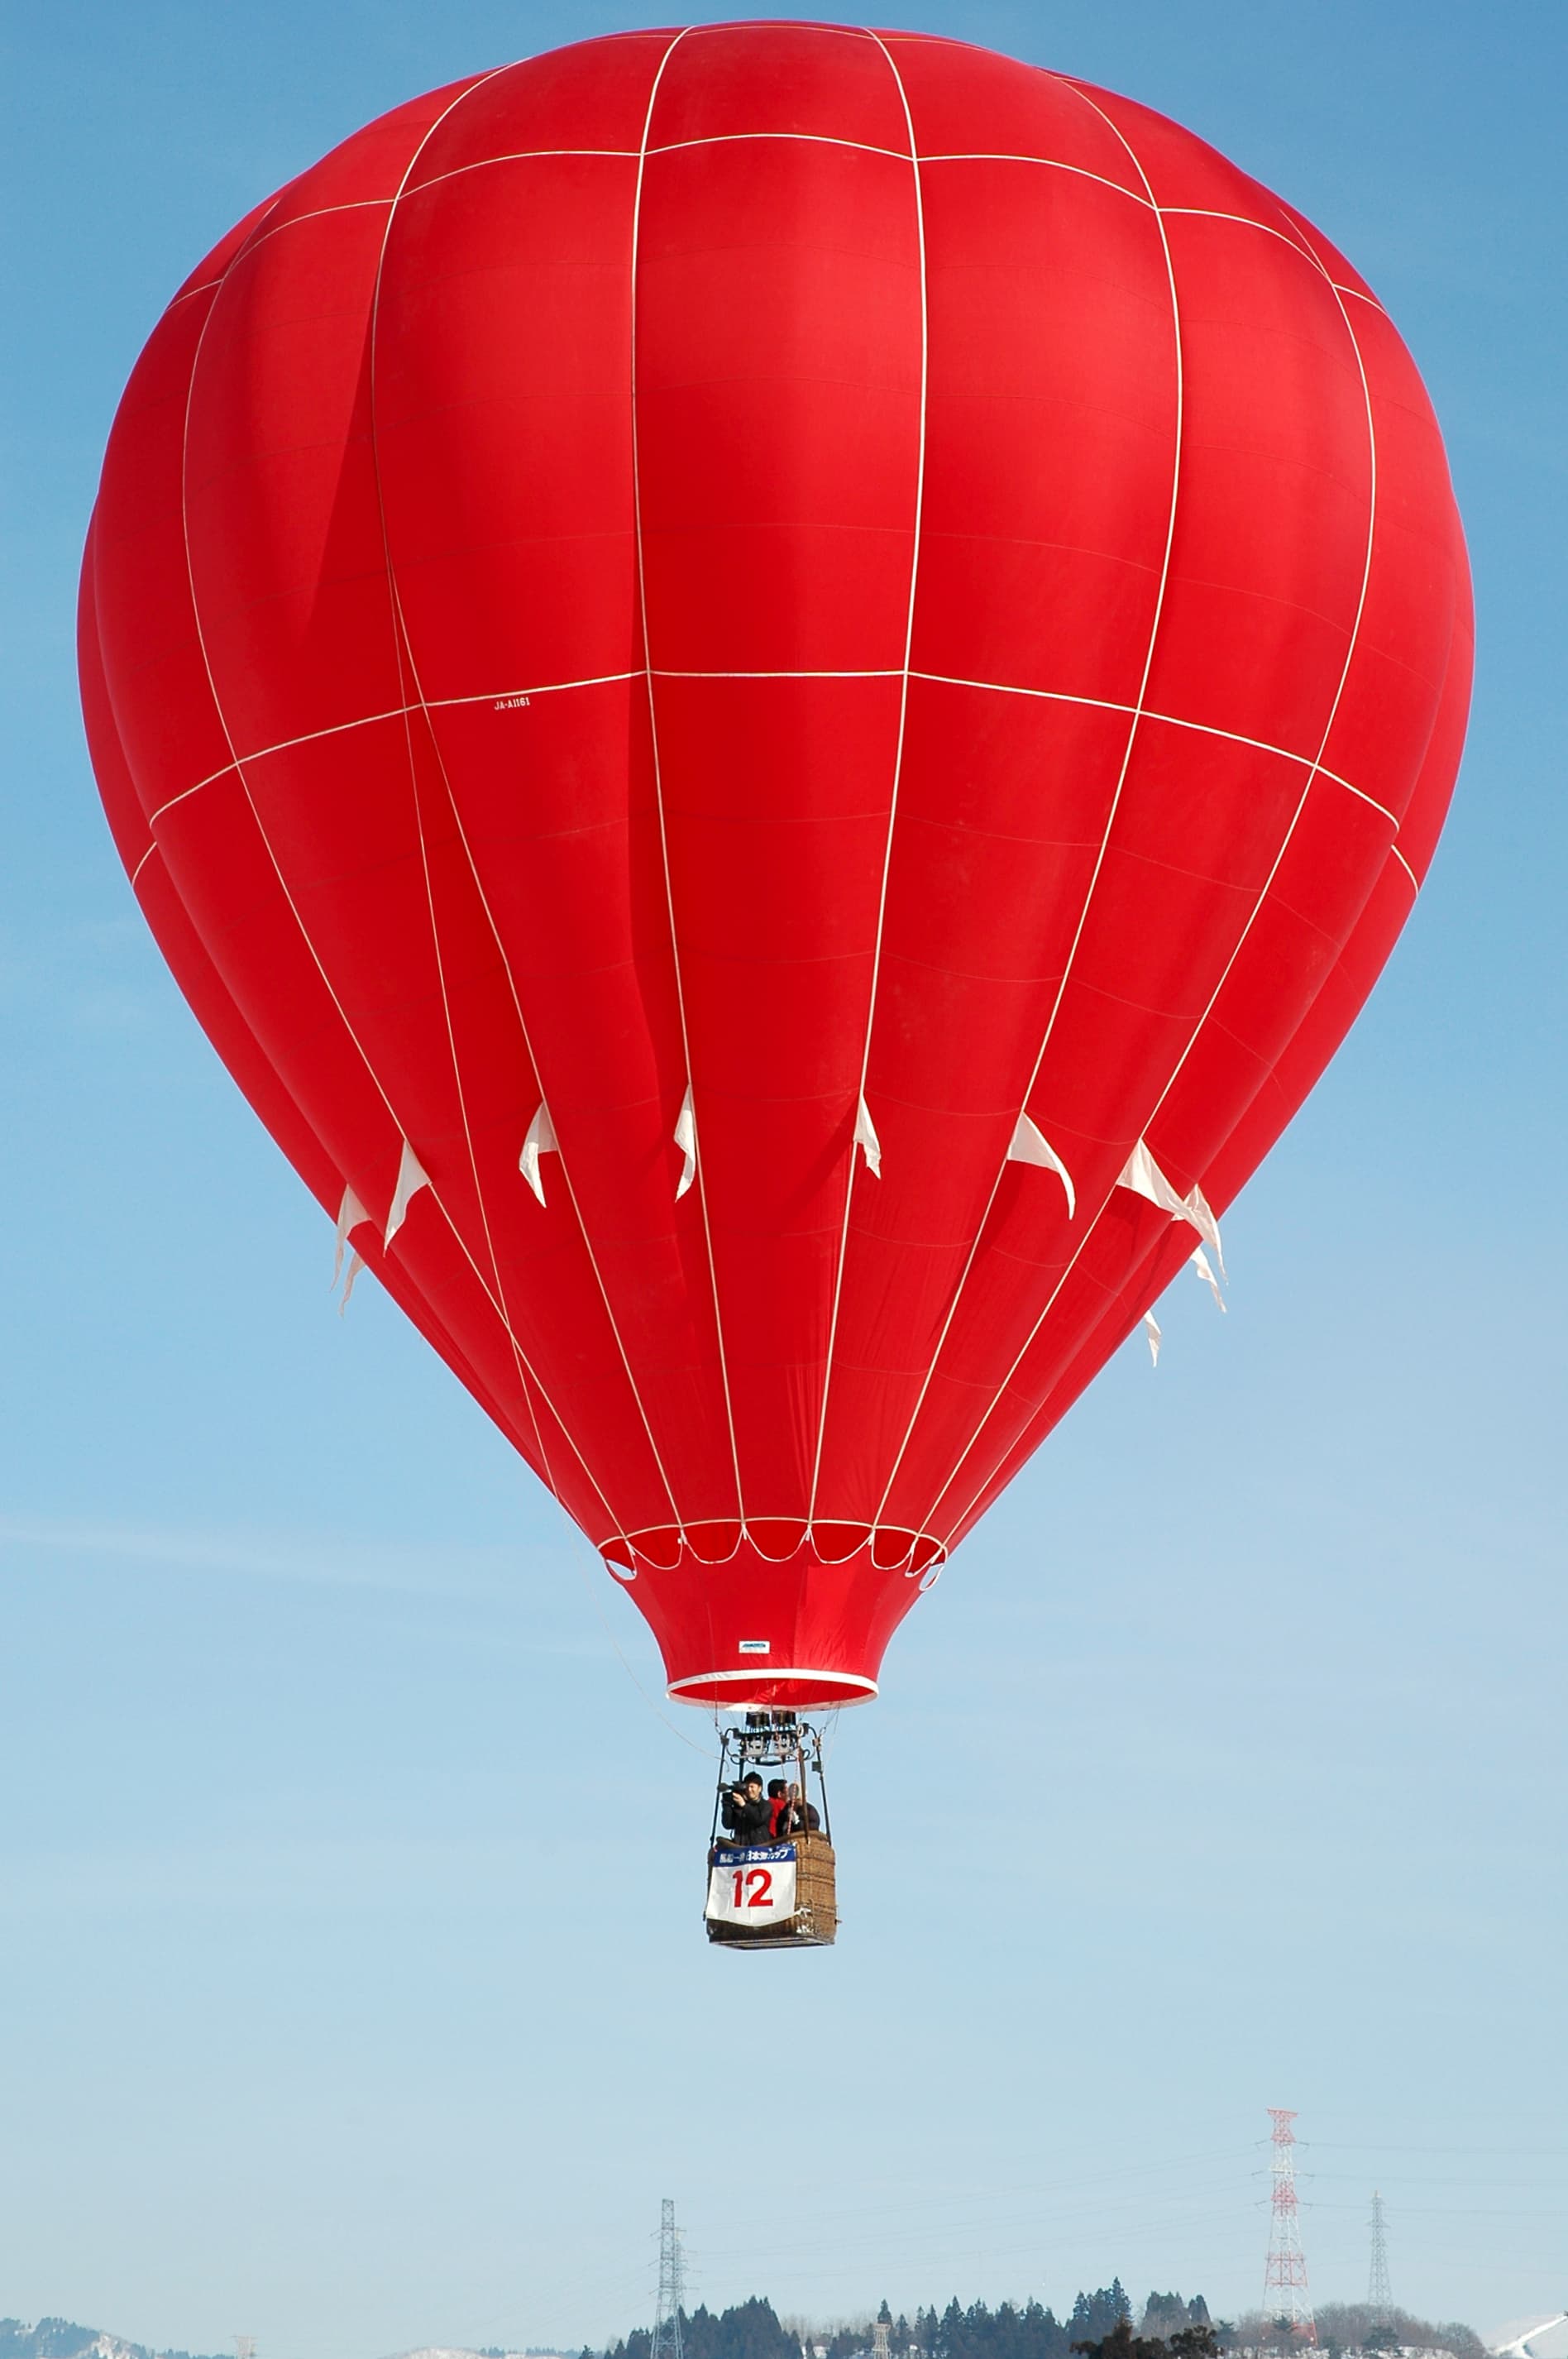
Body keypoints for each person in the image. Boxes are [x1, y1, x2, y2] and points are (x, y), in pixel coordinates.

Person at [719, 1770, 772, 1845]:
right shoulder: (739, 1806)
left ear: (760, 1788)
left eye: (752, 1787)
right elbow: (728, 1824)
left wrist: (744, 1805)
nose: (749, 1790)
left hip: (760, 1848)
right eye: (747, 1787)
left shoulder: (766, 1805)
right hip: (741, 1848)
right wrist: (727, 1805)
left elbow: (758, 1819)